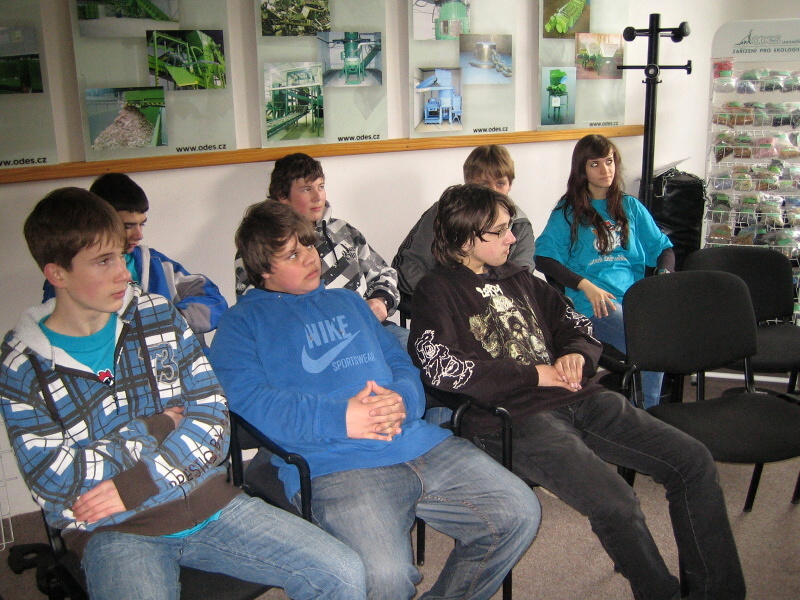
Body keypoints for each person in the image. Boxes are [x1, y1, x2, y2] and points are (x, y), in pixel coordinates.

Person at [1, 188, 367, 600]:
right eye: (103, 261)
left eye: (121, 256)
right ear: (57, 274)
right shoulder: (22, 364)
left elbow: (215, 423)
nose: (123, 273)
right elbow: (54, 481)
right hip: (115, 530)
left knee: (343, 573)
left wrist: (135, 480)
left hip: (209, 501)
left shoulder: (158, 315)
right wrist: (159, 426)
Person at [409, 183, 746, 600]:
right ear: (464, 239)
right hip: (513, 419)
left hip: (579, 396)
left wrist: (576, 355)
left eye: (510, 227)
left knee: (693, 461)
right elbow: (440, 367)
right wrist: (533, 375)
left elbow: (577, 325)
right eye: (499, 231)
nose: (512, 238)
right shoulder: (436, 291)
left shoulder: (521, 278)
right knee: (616, 502)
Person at [212, 200, 540, 600]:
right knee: (384, 578)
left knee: (518, 512)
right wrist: (342, 417)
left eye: (309, 245)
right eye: (293, 255)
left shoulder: (349, 302)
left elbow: (401, 362)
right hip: (337, 465)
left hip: (417, 440)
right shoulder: (240, 324)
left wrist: (403, 399)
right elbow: (249, 404)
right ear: (263, 269)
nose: (311, 258)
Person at [535, 135, 674, 408]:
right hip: (596, 305)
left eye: (609, 161)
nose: (605, 170)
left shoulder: (630, 206)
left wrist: (663, 278)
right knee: (652, 341)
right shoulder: (568, 212)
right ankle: (647, 412)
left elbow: (664, 250)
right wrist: (585, 285)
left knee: (664, 331)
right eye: (595, 164)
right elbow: (544, 259)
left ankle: (643, 409)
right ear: (582, 170)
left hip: (635, 299)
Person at [233, 152, 408, 347]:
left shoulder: (344, 231)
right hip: (312, 341)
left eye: (321, 187)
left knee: (420, 348)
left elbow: (384, 273)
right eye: (306, 189)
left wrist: (382, 301)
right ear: (283, 196)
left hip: (369, 327)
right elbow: (255, 311)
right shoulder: (261, 244)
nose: (318, 197)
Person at [42, 173, 227, 341]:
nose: (139, 235)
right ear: (100, 225)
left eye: (142, 224)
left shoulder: (158, 264)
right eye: (127, 226)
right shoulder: (69, 276)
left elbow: (215, 303)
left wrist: (168, 318)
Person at [392, 144, 536, 308]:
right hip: (443, 306)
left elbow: (522, 280)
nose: (493, 191)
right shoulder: (444, 213)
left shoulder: (520, 225)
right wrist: (439, 296)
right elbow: (407, 265)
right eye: (484, 184)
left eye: (500, 183)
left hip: (495, 310)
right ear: (468, 183)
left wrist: (480, 302)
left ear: (510, 185)